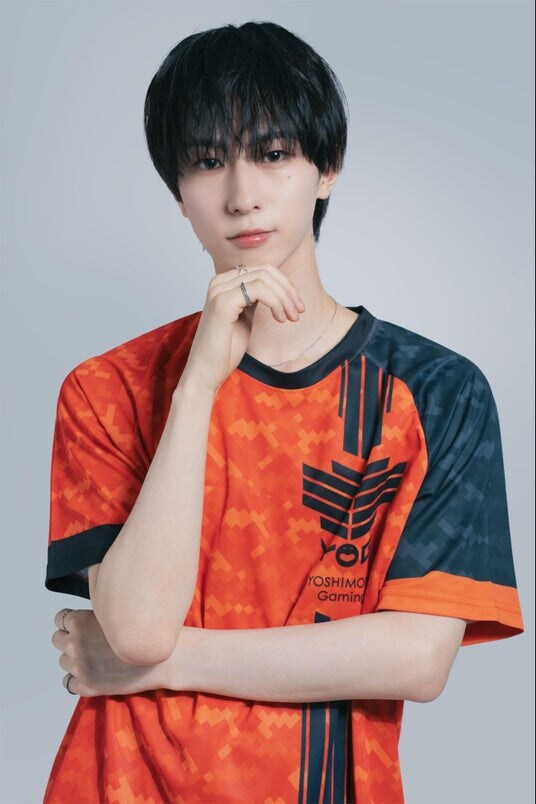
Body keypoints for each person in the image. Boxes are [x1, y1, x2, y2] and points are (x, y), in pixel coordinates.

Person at [44, 20, 524, 804]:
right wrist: (196, 387)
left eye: (271, 154)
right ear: (178, 192)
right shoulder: (109, 389)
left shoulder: (437, 392)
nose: (242, 195)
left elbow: (418, 658)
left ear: (326, 167)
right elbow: (134, 628)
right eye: (208, 162)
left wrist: (162, 665)